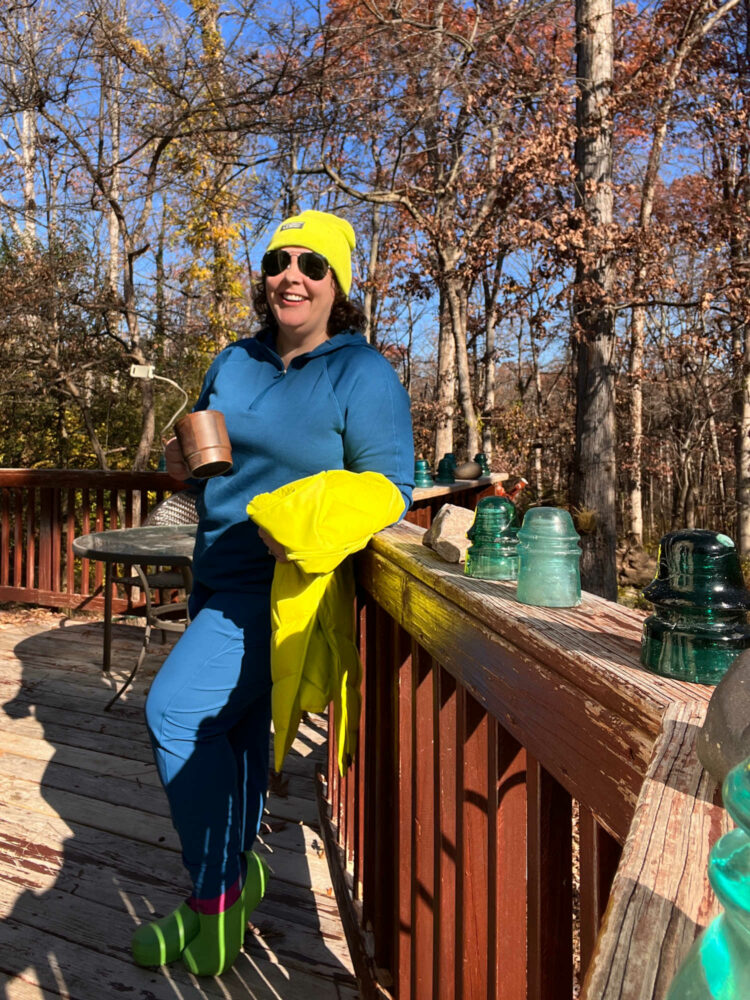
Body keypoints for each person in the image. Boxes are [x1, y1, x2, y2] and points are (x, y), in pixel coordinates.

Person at [130, 209, 415, 976]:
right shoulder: (235, 359)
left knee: (176, 713)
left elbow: (391, 487)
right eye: (279, 260)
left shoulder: (361, 372)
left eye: (312, 265)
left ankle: (217, 895)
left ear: (337, 285)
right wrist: (178, 460)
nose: (292, 274)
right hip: (214, 572)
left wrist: (300, 518)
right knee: (238, 737)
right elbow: (192, 449)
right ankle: (226, 877)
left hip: (287, 589)